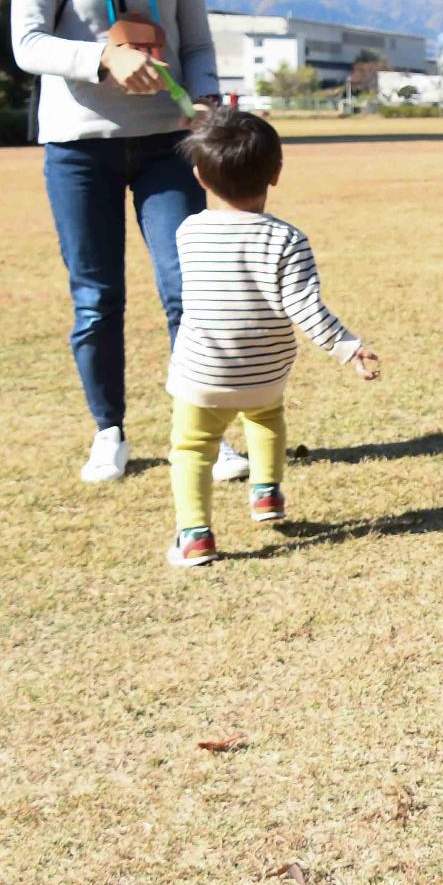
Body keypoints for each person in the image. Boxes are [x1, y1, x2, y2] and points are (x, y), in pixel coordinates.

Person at [10, 0, 244, 481]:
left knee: (186, 291)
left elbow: (197, 42)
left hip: (167, 144)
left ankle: (208, 433)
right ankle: (108, 429)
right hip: (79, 145)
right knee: (97, 296)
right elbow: (25, 44)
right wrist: (100, 60)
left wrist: (202, 100)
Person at [162, 111, 379, 567]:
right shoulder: (287, 239)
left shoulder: (187, 232)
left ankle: (195, 534)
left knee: (192, 449)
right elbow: (304, 306)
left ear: (199, 174)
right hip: (265, 373)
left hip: (202, 371)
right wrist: (348, 348)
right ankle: (266, 495)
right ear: (276, 173)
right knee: (264, 420)